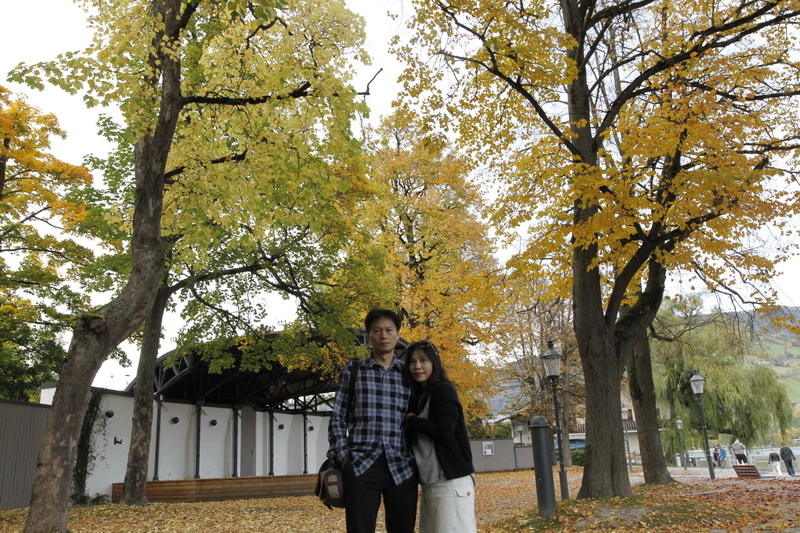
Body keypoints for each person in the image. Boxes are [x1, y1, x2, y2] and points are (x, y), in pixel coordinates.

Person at [327, 309, 418, 533]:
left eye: (389, 330)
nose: (383, 335)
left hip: (402, 465)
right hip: (361, 464)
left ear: (397, 335)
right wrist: (345, 458)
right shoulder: (354, 371)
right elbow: (338, 416)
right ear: (369, 336)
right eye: (377, 331)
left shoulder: (409, 374)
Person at [404, 340, 477, 533]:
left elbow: (445, 431)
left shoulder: (443, 389)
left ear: (434, 363)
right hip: (431, 484)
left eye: (423, 360)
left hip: (451, 481)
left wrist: (412, 421)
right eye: (412, 361)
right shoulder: (420, 395)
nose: (417, 366)